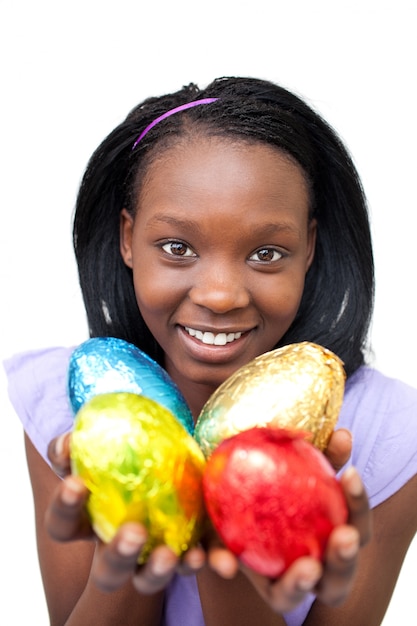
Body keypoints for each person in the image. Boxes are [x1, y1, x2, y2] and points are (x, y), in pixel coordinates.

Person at [4, 76, 417, 626]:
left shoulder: (389, 435)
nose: (220, 295)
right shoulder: (74, 413)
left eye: (267, 252)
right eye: (177, 248)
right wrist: (138, 539)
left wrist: (234, 552)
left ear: (310, 248)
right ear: (128, 239)